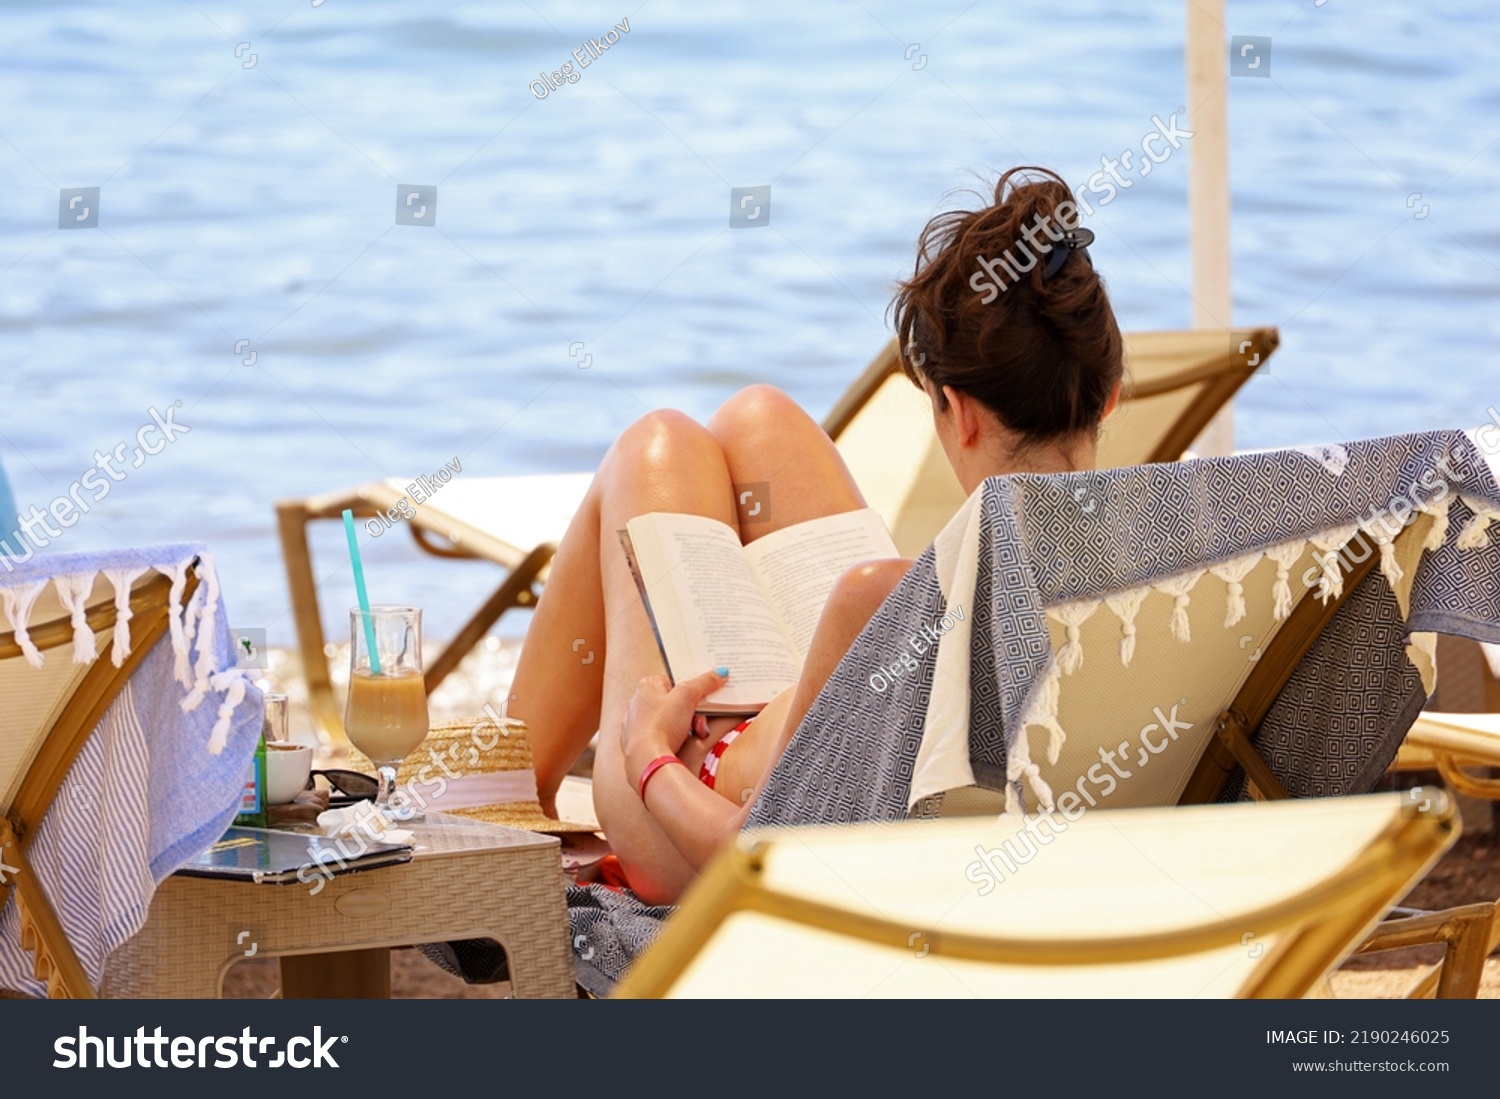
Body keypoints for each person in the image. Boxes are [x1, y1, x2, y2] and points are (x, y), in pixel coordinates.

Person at [507, 167, 1126, 904]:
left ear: (957, 412)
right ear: (1112, 395)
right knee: (758, 416)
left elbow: (755, 855)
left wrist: (644, 753)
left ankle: (500, 810)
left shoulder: (891, 599)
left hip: (692, 814)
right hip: (846, 769)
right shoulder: (1172, 562)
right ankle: (499, 798)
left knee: (656, 441)